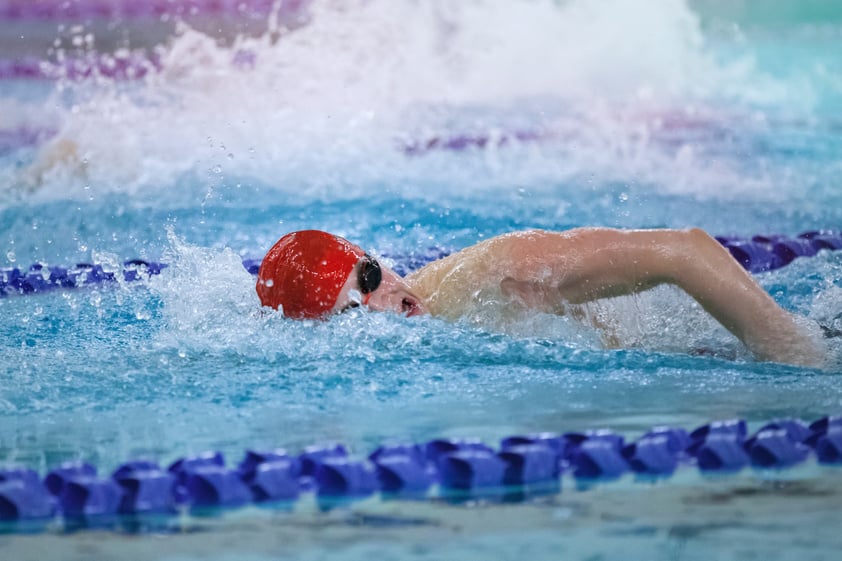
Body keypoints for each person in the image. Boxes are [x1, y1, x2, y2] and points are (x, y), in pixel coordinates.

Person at [255, 228, 829, 368]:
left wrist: (795, 352)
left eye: (372, 278)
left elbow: (689, 250)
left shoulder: (502, 272)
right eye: (354, 313)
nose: (384, 304)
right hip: (694, 352)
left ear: (375, 257)